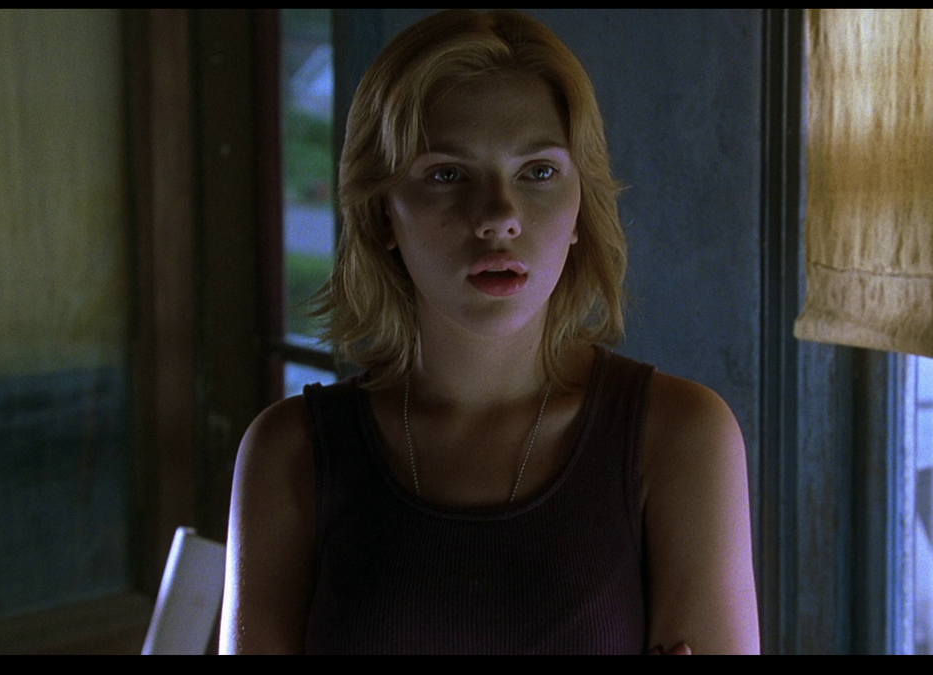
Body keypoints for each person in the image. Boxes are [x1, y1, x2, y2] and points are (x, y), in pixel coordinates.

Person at [220, 9, 758, 654]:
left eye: (538, 172)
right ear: (383, 211)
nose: (499, 216)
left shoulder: (679, 436)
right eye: (448, 174)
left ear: (580, 205)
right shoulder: (291, 453)